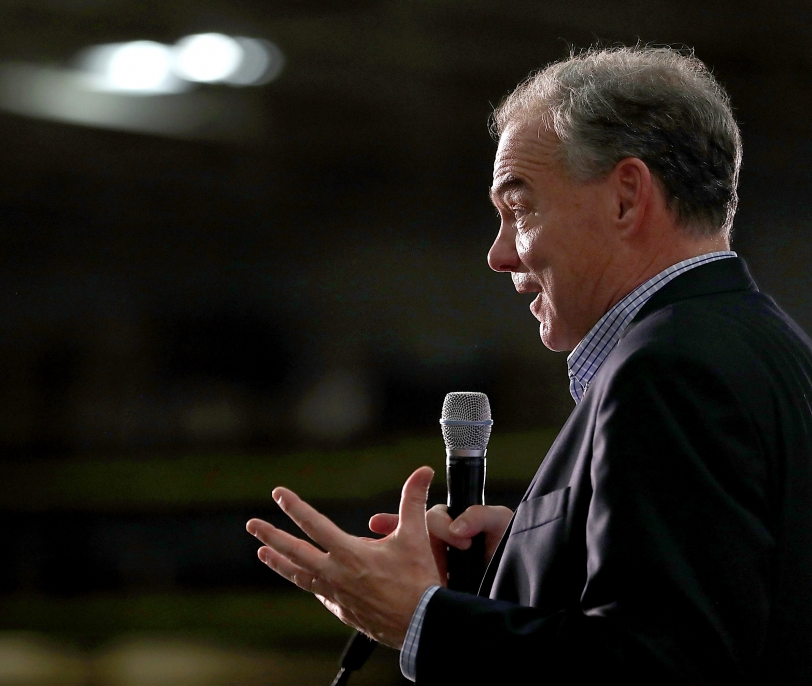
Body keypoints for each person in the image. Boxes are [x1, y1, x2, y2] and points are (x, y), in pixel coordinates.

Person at [246, 46, 812, 684]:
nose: (498, 255)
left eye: (519, 210)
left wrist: (420, 620)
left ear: (627, 197)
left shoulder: (666, 370)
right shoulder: (770, 346)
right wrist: (535, 554)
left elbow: (660, 668)